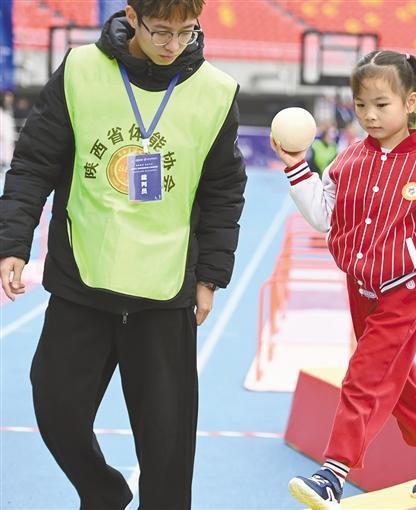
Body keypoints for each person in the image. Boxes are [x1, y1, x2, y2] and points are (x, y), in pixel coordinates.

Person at [0, 0, 247, 507]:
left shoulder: (216, 92)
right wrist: (12, 243)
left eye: (186, 32)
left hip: (164, 291)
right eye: (160, 31)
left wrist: (210, 277)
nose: (173, 44)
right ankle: (104, 492)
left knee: (167, 452)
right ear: (132, 17)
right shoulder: (80, 71)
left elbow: (224, 191)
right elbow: (32, 164)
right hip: (82, 283)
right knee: (56, 412)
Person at [271, 50, 416, 509]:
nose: (370, 115)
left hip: (405, 289)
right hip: (361, 288)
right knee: (398, 381)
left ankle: (333, 472)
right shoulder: (349, 159)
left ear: (411, 101)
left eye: (382, 104)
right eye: (361, 105)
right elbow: (323, 216)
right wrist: (297, 165)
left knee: (365, 377)